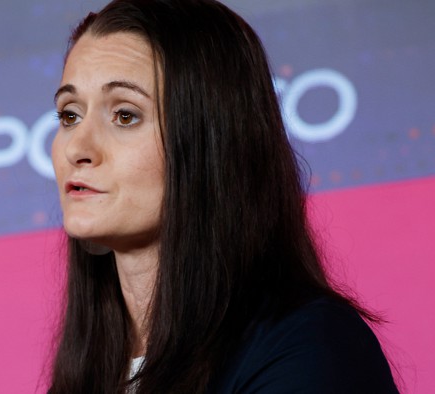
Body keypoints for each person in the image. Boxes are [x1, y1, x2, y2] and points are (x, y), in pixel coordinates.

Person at [47, 0, 399, 393]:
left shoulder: (308, 347)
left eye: (125, 115)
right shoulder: (90, 368)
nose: (77, 146)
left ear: (212, 141)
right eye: (69, 115)